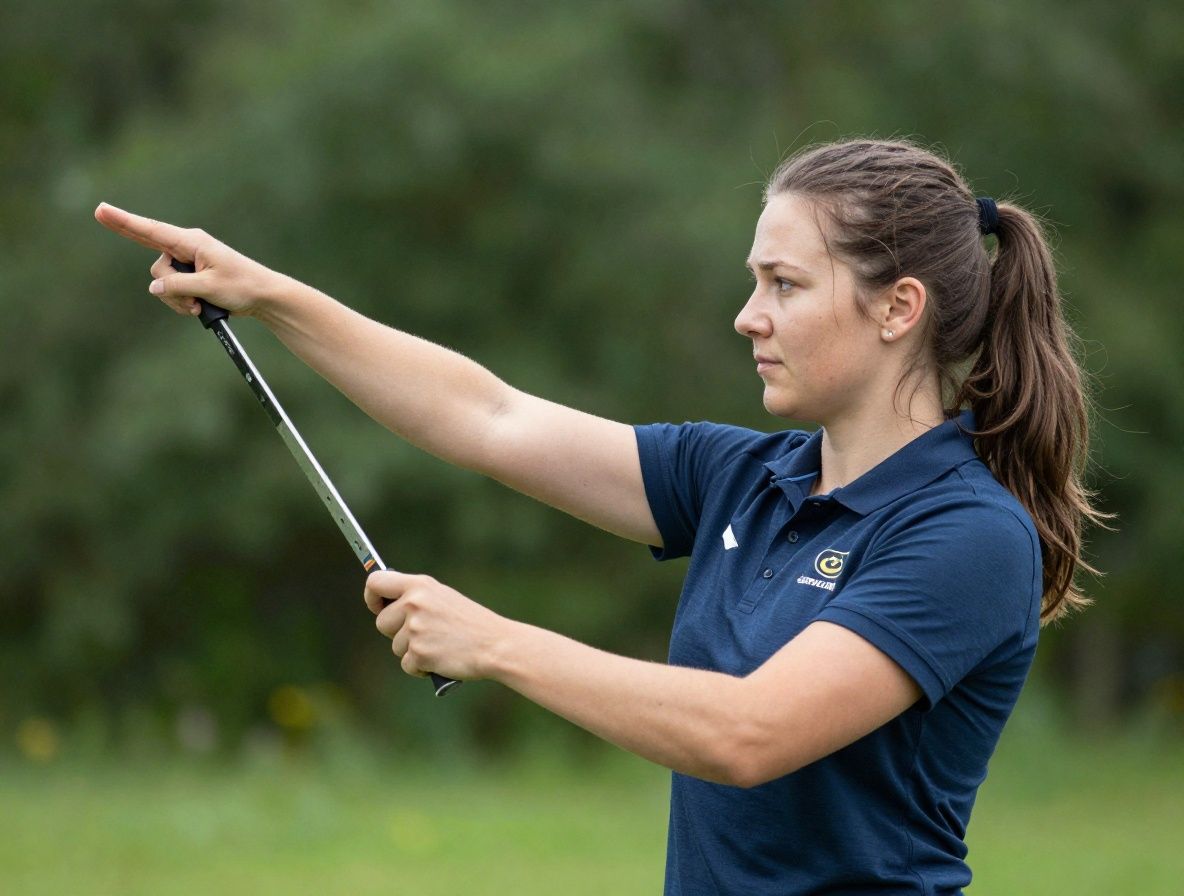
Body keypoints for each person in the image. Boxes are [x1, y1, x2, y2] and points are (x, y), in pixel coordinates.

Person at [95, 137, 1105, 895]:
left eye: (783, 284)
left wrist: (493, 642)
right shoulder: (739, 473)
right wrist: (268, 294)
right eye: (753, 280)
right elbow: (487, 416)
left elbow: (749, 730)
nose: (746, 314)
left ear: (897, 309)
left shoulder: (967, 535)